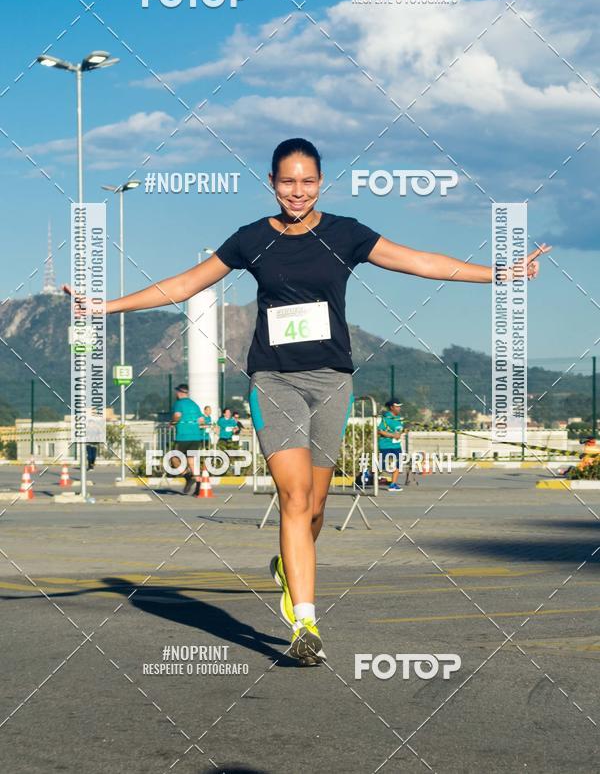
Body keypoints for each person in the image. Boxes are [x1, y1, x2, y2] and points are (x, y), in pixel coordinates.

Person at [63, 136, 550, 667]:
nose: (297, 191)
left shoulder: (346, 233)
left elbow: (420, 262)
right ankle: (306, 622)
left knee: (315, 507)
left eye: (308, 181)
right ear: (271, 183)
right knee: (294, 498)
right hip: (274, 380)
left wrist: (500, 273)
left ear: (321, 182)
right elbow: (183, 285)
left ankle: (287, 567)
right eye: (287, 181)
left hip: (331, 380)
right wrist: (104, 307)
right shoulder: (250, 239)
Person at [170, 383, 203, 495]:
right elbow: (201, 420)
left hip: (183, 436)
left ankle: (187, 476)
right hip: (196, 437)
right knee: (192, 461)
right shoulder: (194, 405)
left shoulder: (178, 404)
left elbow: (177, 415)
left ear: (179, 393)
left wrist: (172, 423)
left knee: (174, 458)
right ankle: (198, 487)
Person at [377, 399, 405, 491]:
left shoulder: (399, 419)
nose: (399, 408)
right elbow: (379, 431)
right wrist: (393, 435)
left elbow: (399, 430)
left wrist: (400, 433)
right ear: (392, 407)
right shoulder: (386, 418)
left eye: (399, 406)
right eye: (397, 406)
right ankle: (367, 473)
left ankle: (393, 484)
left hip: (396, 446)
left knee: (398, 464)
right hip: (386, 445)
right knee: (383, 466)